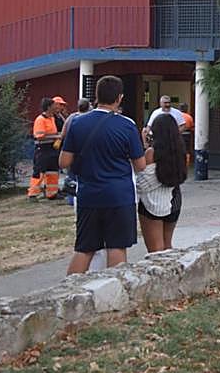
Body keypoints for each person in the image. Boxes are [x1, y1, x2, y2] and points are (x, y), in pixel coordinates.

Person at [59, 75, 147, 274]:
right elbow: (140, 165)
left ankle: (67, 292)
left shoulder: (77, 123)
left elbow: (64, 162)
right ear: (119, 98)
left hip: (88, 194)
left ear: (96, 97)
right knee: (116, 246)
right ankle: (113, 292)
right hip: (119, 194)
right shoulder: (127, 125)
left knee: (85, 248)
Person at [135, 112, 187, 252]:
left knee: (155, 249)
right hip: (174, 198)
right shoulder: (180, 150)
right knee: (167, 245)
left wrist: (145, 144)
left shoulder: (152, 153)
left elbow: (142, 183)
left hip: (152, 203)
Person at [29, 97, 63, 200]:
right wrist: (56, 136)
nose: (56, 107)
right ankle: (33, 194)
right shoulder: (40, 119)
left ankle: (52, 193)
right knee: (39, 172)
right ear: (49, 107)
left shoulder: (52, 118)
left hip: (52, 148)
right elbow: (39, 136)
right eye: (54, 105)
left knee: (53, 171)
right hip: (42, 149)